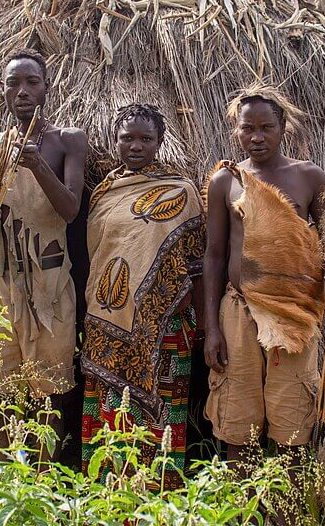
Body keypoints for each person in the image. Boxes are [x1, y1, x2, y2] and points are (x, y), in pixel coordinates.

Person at [0, 49, 88, 459]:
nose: (22, 91)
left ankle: (44, 473)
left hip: (48, 280)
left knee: (50, 387)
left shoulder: (68, 140)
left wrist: (37, 165)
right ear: (2, 91)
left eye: (31, 82)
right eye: (13, 84)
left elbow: (70, 210)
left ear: (46, 87)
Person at [203, 83, 325, 466]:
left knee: (293, 424)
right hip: (238, 310)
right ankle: (240, 500)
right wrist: (212, 328)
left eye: (266, 128)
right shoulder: (225, 181)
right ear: (237, 131)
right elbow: (214, 255)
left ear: (283, 127)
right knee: (236, 422)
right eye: (247, 128)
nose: (256, 137)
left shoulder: (309, 177)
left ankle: (286, 501)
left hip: (292, 314)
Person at [81, 104, 205, 488]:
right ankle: (108, 494)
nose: (136, 146)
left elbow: (196, 260)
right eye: (128, 138)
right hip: (106, 324)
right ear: (115, 140)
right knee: (108, 415)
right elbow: (97, 256)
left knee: (162, 417)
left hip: (163, 327)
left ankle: (157, 496)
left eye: (146, 139)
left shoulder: (180, 191)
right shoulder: (103, 193)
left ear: (159, 142)